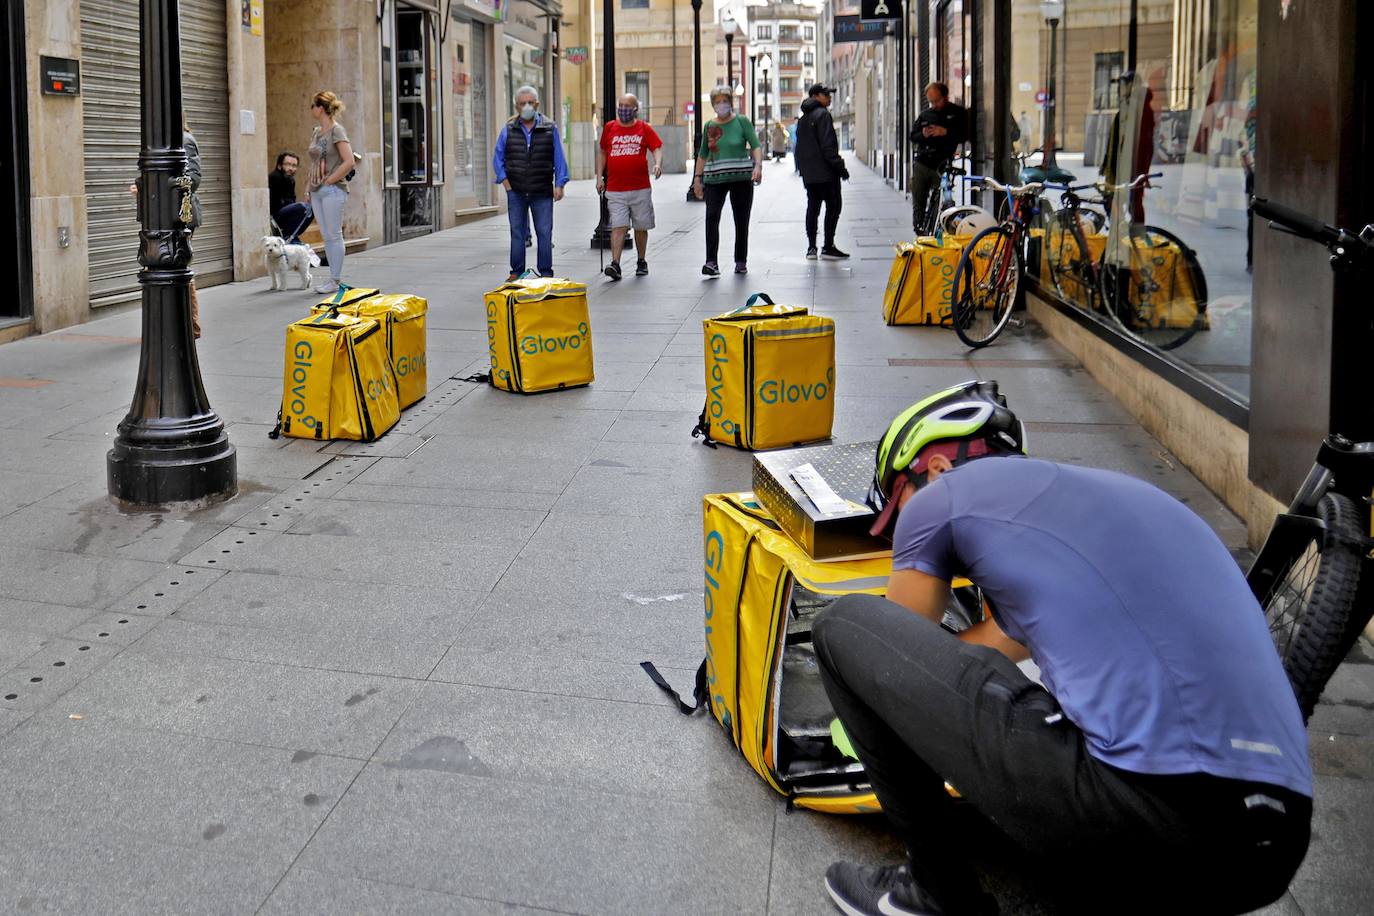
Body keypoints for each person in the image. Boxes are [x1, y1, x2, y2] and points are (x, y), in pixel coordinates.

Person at [816, 380, 1313, 916]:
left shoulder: (939, 498)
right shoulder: (1121, 500)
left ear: (933, 467)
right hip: (1271, 851)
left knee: (845, 627)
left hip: (1144, 819)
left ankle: (934, 894)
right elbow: (990, 647)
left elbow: (896, 655)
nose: (901, 533)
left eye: (897, 506)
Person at [127, 116, 203, 338]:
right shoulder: (159, 145)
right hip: (160, 217)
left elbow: (193, 179)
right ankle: (179, 326)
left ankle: (191, 327)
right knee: (165, 269)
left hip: (179, 216)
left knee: (179, 268)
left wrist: (160, 191)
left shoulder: (184, 140)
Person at [492, 85, 569, 281]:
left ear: (537, 104)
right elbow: (498, 158)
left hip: (542, 190)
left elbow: (558, 157)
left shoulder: (549, 128)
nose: (526, 106)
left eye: (530, 102)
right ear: (516, 106)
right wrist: (506, 184)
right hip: (516, 190)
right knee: (517, 233)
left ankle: (546, 272)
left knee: (544, 232)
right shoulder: (508, 129)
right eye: (522, 103)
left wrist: (560, 184)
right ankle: (516, 272)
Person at [692, 85, 763, 277]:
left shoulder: (741, 122)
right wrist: (697, 179)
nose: (721, 105)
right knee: (711, 217)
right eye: (717, 102)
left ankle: (740, 261)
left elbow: (755, 145)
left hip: (741, 178)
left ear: (731, 103)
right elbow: (702, 154)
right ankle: (711, 262)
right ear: (713, 104)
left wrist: (758, 166)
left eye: (724, 101)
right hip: (715, 179)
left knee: (741, 220)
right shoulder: (709, 126)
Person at [595, 93, 663, 280]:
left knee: (641, 226)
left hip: (640, 187)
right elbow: (602, 152)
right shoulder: (609, 128)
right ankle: (615, 264)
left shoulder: (643, 128)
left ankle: (641, 260)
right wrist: (599, 178)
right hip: (616, 189)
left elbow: (656, 147)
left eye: (627, 106)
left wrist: (657, 164)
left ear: (635, 109)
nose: (623, 109)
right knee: (619, 226)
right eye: (621, 105)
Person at [794, 83, 850, 260]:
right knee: (833, 207)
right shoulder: (823, 115)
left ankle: (811, 247)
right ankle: (828, 246)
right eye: (826, 94)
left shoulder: (803, 118)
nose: (830, 97)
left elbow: (799, 149)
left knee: (813, 207)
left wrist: (803, 170)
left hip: (810, 174)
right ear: (815, 96)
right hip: (826, 173)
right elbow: (828, 146)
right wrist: (841, 168)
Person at [306, 90, 354, 295]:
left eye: (313, 105)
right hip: (317, 189)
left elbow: (349, 161)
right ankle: (332, 279)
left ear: (321, 108)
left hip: (333, 190)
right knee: (327, 235)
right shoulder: (317, 132)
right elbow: (314, 161)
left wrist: (330, 180)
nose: (311, 109)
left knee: (334, 235)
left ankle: (335, 279)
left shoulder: (337, 131)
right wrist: (309, 186)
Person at [909, 82, 968, 235]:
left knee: (942, 200)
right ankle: (919, 229)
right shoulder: (925, 115)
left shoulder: (958, 113)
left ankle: (938, 229)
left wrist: (945, 132)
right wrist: (923, 135)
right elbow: (912, 136)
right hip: (922, 163)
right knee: (918, 199)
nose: (934, 105)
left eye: (937, 101)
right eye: (931, 102)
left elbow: (965, 136)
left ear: (945, 96)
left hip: (941, 165)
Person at [269, 151, 312, 244]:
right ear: (279, 166)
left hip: (285, 215)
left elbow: (292, 200)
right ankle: (289, 236)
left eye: (294, 166)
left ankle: (292, 235)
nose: (291, 168)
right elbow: (276, 204)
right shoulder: (275, 177)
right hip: (274, 217)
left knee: (310, 210)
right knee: (302, 207)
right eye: (288, 164)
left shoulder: (290, 180)